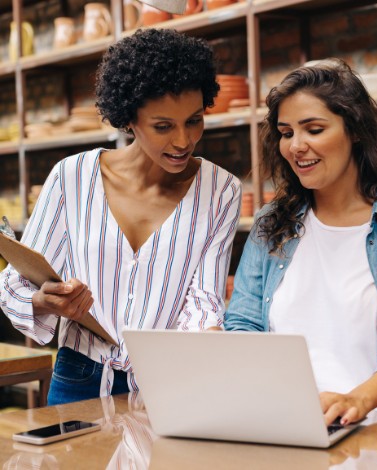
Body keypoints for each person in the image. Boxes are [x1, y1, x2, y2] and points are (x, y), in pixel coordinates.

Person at [0, 28, 241, 405]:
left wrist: (212, 347)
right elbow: (15, 285)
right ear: (129, 119)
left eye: (194, 120)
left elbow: (204, 300)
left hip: (170, 382)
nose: (183, 140)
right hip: (79, 376)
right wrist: (48, 302)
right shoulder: (72, 177)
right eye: (163, 126)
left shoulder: (221, 190)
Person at [224, 58, 377, 425]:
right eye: (287, 132)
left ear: (353, 129)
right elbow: (242, 324)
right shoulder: (271, 223)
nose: (296, 146)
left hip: (368, 426)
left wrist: (356, 400)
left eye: (314, 129)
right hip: (281, 424)